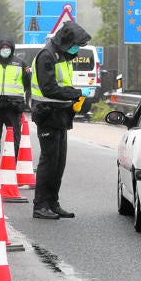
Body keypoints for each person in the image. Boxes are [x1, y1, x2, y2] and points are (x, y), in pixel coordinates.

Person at [30, 21, 92, 219]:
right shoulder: (46, 56)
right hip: (47, 113)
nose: (76, 49)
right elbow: (49, 88)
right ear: (66, 40)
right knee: (48, 161)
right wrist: (76, 93)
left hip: (61, 113)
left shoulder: (63, 55)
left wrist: (73, 98)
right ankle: (40, 205)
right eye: (75, 44)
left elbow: (61, 83)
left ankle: (53, 202)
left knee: (59, 162)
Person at [0, 37, 31, 158]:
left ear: (12, 49)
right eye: (3, 47)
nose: (5, 50)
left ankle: (14, 165)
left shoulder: (20, 63)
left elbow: (27, 83)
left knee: (15, 138)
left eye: (8, 48)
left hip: (13, 107)